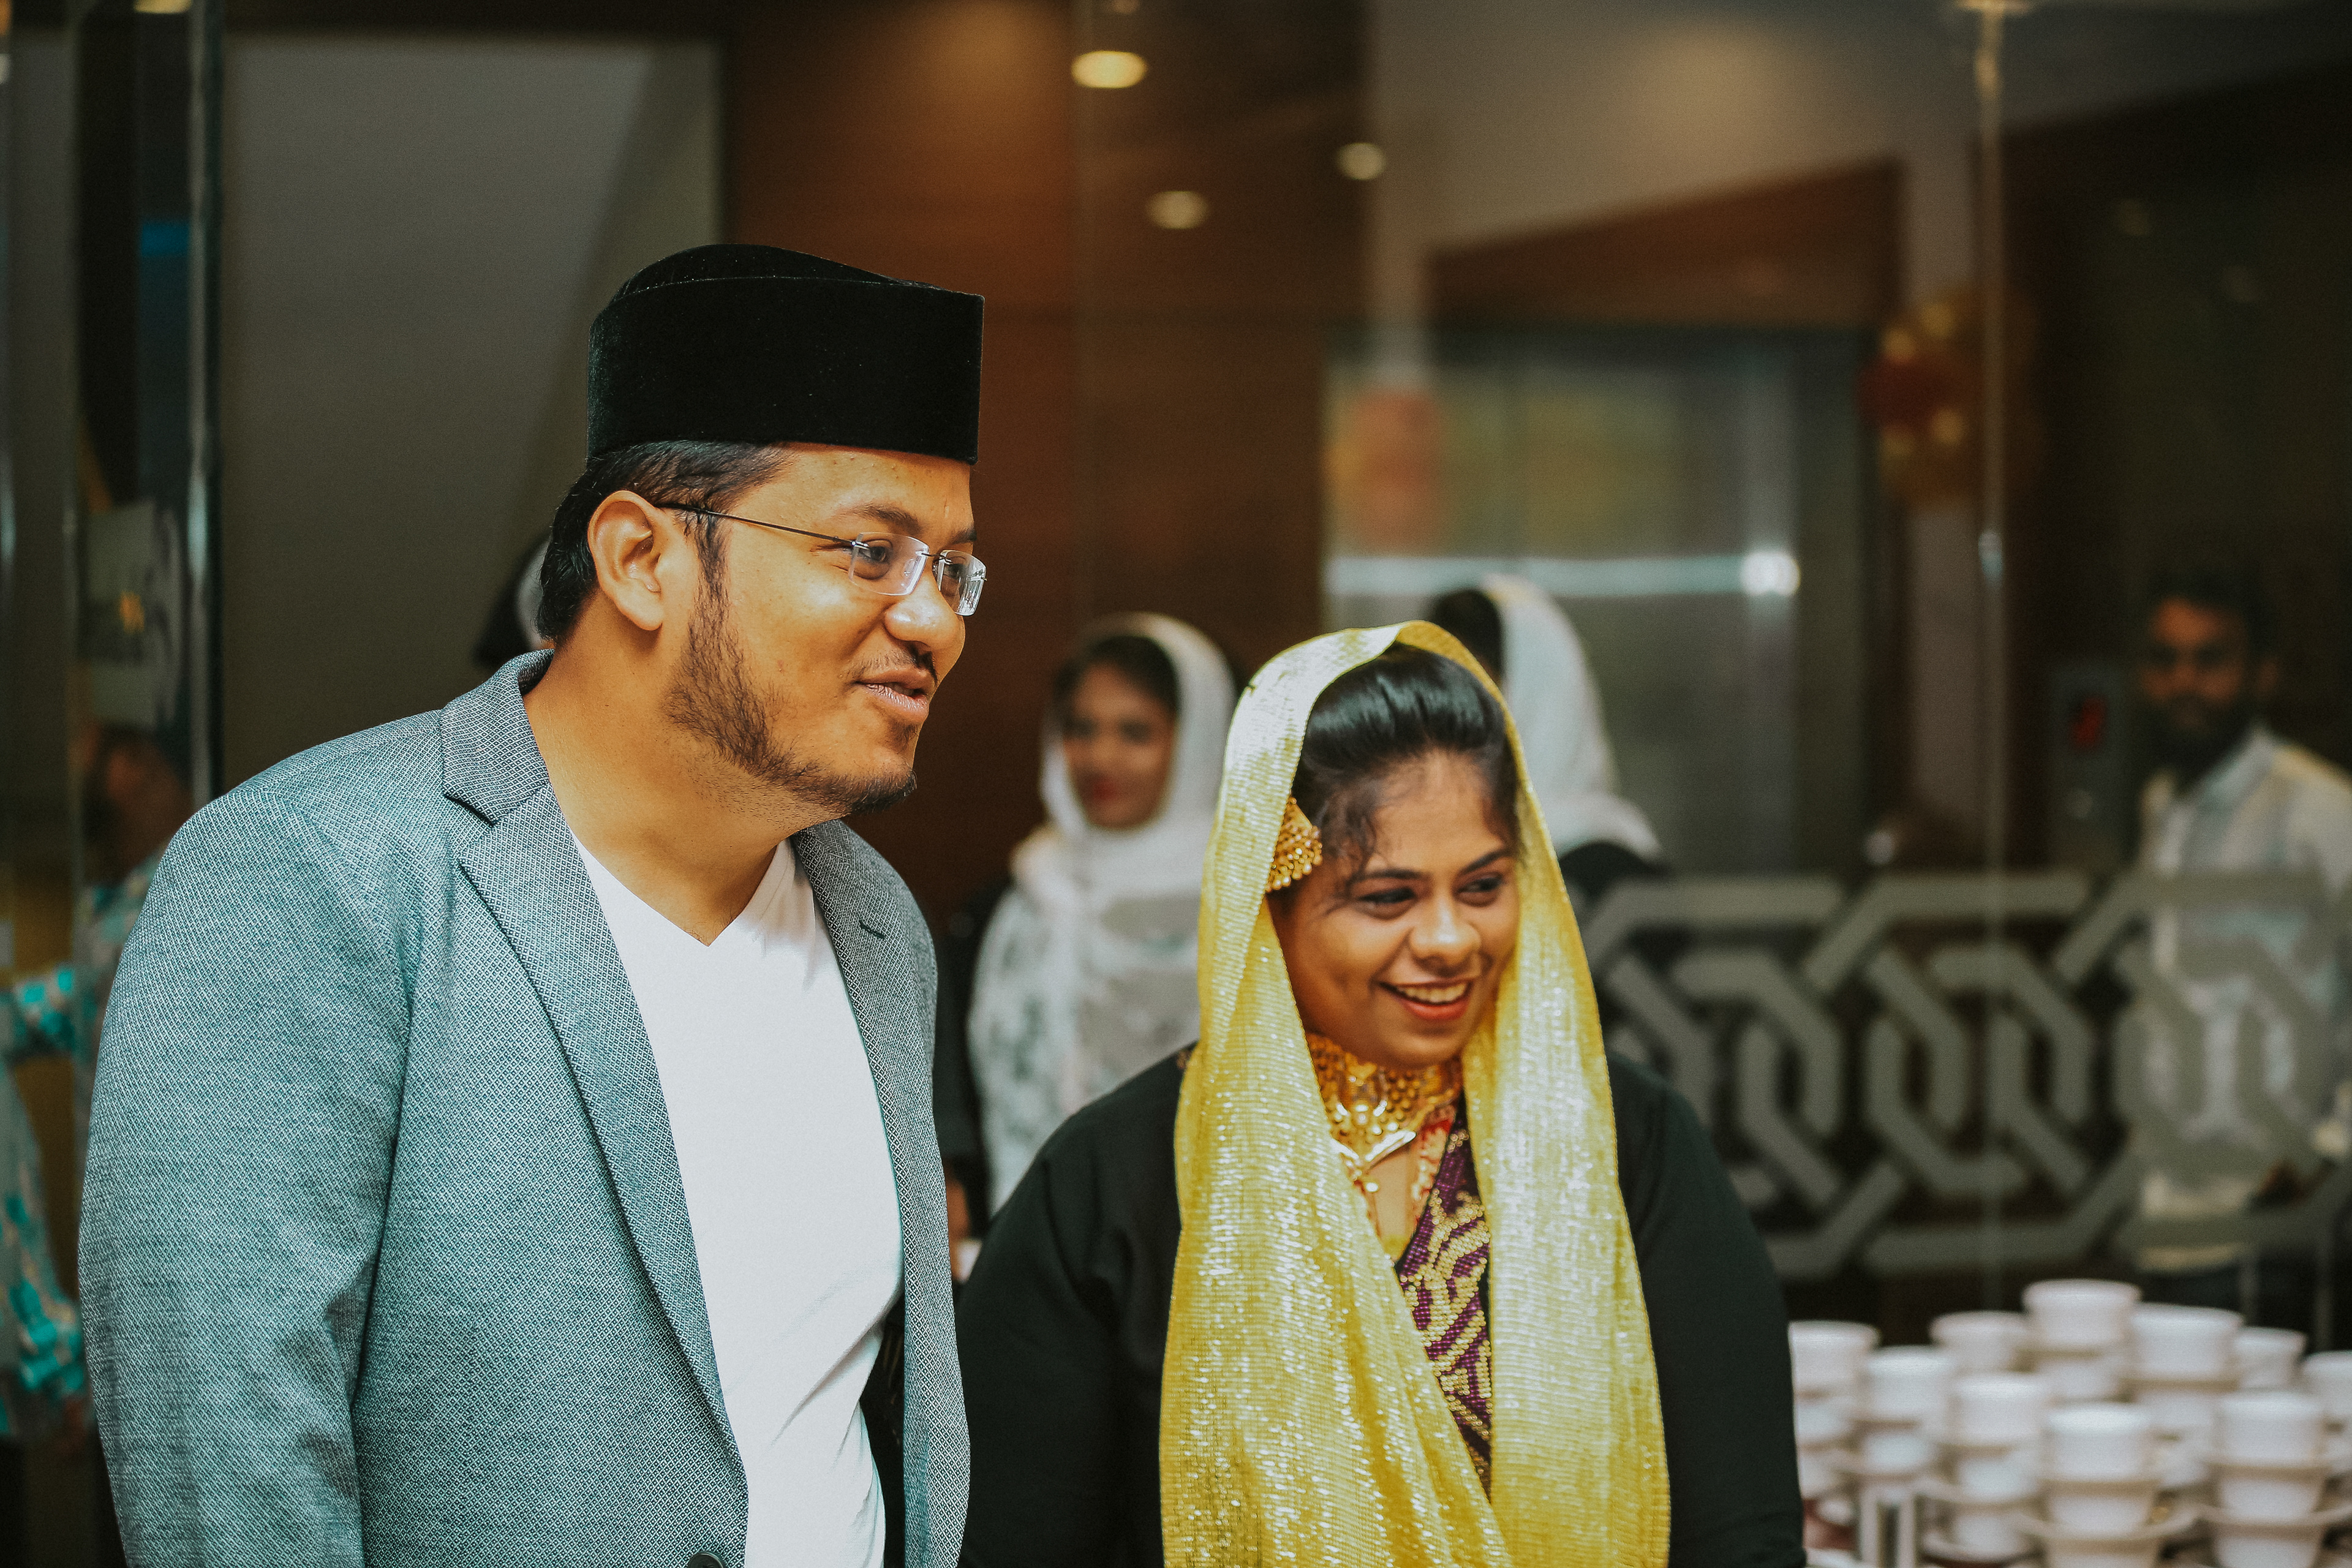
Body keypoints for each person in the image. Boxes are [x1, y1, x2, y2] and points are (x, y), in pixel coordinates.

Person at [81, 244, 985, 1567]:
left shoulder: (874, 920)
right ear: (640, 558)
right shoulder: (314, 879)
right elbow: (229, 1471)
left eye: (954, 569)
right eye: (869, 551)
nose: (935, 622)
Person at [958, 624, 1800, 1568]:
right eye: (1388, 898)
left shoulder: (1625, 1146)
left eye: (1483, 886)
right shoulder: (1117, 1182)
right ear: (1268, 903)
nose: (1449, 940)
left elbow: (1741, 1534)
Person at [933, 615, 1236, 1230]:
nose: (1100, 757)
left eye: (1135, 732)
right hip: (1025, 1242)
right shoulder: (1011, 905)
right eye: (1081, 728)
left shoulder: (1249, 912)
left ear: (1199, 744)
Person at [2129, 563, 2352, 1324]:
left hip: (2270, 1227)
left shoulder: (2318, 809)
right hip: (2165, 1216)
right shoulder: (2163, 804)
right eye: (2165, 660)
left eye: (2210, 659)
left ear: (2263, 674)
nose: (2184, 682)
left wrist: (2328, 1154)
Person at [1426, 576, 1665, 919]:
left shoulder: (1610, 875)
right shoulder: (1421, 847)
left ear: (1535, 694)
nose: (1441, 715)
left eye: (1469, 687)